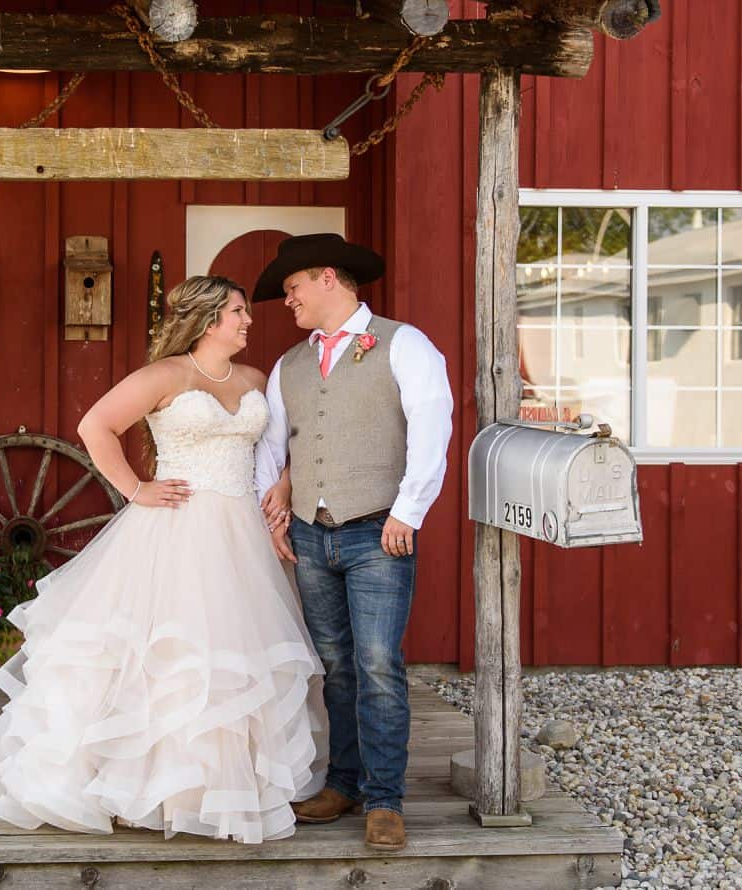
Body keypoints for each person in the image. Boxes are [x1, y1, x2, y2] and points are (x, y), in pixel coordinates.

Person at [0, 275, 326, 844]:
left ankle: (215, 789)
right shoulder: (165, 375)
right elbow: (94, 426)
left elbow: (290, 445)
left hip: (241, 536)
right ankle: (133, 784)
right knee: (165, 655)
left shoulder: (255, 379)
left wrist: (285, 485)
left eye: (245, 312)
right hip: (174, 530)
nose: (248, 322)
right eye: (237, 312)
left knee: (229, 657)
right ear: (206, 321)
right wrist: (134, 489)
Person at [249, 234, 455, 852]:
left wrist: (408, 512)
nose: (288, 302)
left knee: (378, 666)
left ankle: (385, 798)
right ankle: (342, 783)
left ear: (329, 279)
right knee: (334, 666)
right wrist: (275, 515)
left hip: (378, 531)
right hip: (312, 536)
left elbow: (432, 425)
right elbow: (272, 446)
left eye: (293, 289)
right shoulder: (290, 364)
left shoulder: (404, 344)